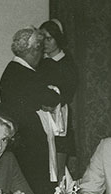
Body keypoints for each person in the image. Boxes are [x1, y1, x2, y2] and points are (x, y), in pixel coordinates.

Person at [0, 26, 61, 194]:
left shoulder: (12, 70)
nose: (42, 55)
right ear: (34, 50)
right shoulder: (25, 73)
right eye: (40, 50)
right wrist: (50, 92)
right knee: (34, 188)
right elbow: (52, 98)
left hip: (20, 135)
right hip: (29, 138)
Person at [37, 19, 79, 177]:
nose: (45, 43)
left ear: (58, 39)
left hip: (58, 117)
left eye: (49, 39)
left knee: (58, 165)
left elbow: (67, 93)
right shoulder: (40, 63)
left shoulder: (66, 63)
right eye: (42, 39)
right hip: (42, 116)